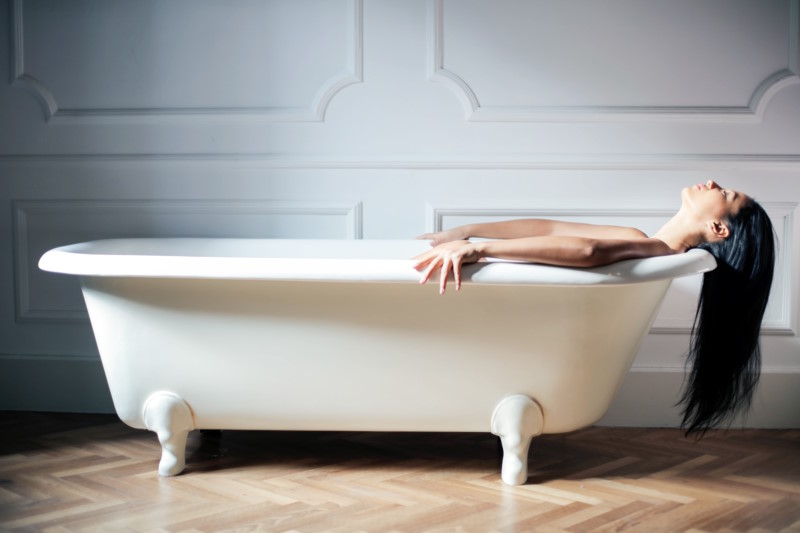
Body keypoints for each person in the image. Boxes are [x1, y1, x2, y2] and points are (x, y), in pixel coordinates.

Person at [413, 180, 776, 435]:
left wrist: (480, 250)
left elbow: (589, 251)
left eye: (725, 193)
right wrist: (466, 232)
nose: (713, 183)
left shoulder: (659, 252)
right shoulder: (644, 241)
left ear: (718, 227)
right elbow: (552, 229)